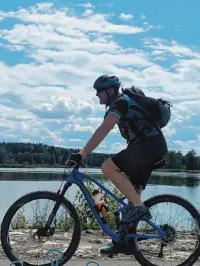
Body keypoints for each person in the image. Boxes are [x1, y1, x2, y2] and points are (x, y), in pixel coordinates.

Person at [65, 74, 168, 256]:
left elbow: (104, 128)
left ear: (110, 90)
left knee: (107, 167)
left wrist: (81, 154)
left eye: (99, 91)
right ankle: (123, 243)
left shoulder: (120, 102)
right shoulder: (122, 102)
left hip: (149, 148)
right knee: (127, 199)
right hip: (149, 148)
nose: (97, 95)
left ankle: (140, 208)